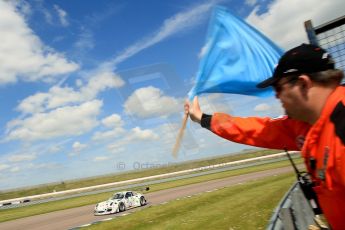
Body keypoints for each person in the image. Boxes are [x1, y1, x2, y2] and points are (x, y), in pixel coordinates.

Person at [184, 43, 345, 229]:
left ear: (302, 84)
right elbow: (255, 129)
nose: (276, 96)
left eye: (278, 88)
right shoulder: (305, 124)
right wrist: (203, 119)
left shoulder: (340, 131)